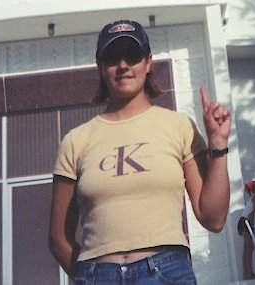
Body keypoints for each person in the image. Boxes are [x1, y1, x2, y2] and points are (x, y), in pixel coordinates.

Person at [49, 19, 231, 284]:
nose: (123, 65)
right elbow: (57, 237)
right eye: (112, 57)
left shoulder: (179, 126)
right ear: (100, 66)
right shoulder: (76, 140)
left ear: (148, 62)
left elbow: (213, 218)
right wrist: (89, 278)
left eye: (132, 56)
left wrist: (217, 143)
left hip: (166, 272)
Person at [237, 179, 255, 280]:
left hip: (243, 222)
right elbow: (254, 212)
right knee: (249, 249)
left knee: (246, 249)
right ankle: (249, 274)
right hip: (246, 223)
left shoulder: (253, 198)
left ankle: (246, 274)